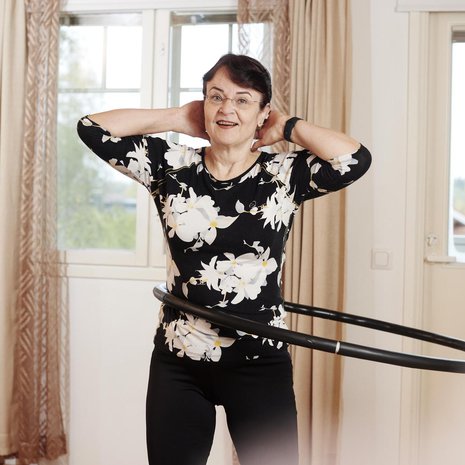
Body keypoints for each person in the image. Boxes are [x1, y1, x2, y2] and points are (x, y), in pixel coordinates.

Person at [77, 53, 371, 465]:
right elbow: (91, 128)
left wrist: (287, 127)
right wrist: (178, 118)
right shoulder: (171, 165)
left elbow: (355, 159)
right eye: (216, 97)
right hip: (179, 358)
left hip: (258, 359)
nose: (227, 109)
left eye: (243, 99)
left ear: (262, 113)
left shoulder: (283, 175)